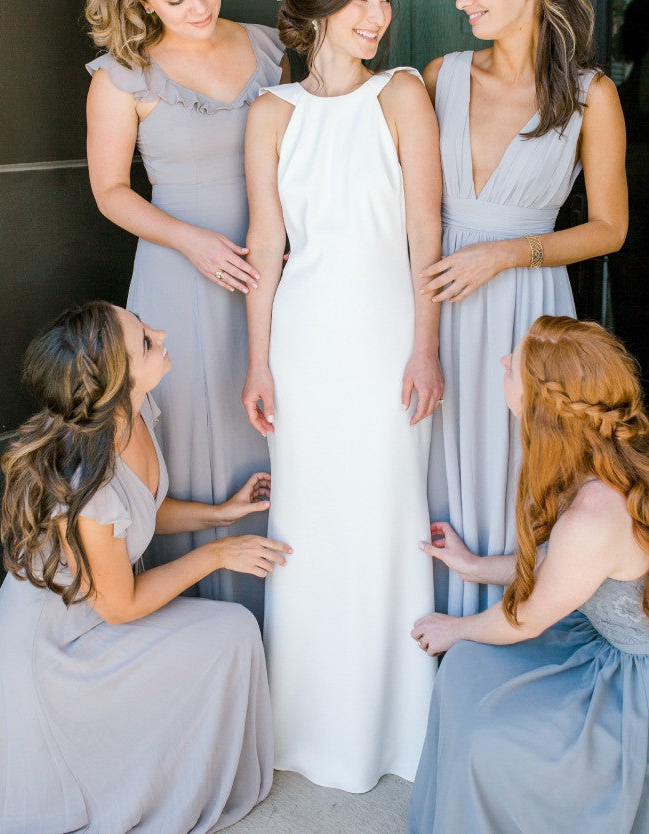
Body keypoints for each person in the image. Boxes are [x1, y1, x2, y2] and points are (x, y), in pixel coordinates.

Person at [241, 0, 443, 793]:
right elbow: (266, 243)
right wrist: (258, 362)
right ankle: (303, 725)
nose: (379, 14)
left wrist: (425, 344)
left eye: (383, 0)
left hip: (388, 338)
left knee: (383, 518)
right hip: (302, 346)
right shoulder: (271, 111)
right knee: (310, 525)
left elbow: (424, 230)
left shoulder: (401, 92)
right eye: (360, 0)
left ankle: (393, 726)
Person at [0, 301, 291, 833]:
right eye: (146, 342)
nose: (161, 333)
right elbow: (121, 605)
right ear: (117, 383)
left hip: (97, 614)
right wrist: (218, 553)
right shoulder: (89, 484)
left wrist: (221, 513)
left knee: (234, 634)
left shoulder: (133, 413)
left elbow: (143, 509)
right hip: (60, 648)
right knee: (231, 631)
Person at [421, 0, 628, 616]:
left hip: (525, 306)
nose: (462, 3)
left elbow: (610, 228)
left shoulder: (592, 95)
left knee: (519, 462)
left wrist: (506, 254)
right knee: (431, 457)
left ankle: (507, 622)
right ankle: (431, 624)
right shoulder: (441, 76)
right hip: (435, 300)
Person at [84, 0, 287, 618]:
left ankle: (286, 611)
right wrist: (191, 241)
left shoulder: (269, 47)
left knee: (273, 424)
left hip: (271, 270)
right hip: (180, 274)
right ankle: (206, 613)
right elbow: (109, 191)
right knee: (192, 430)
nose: (197, 7)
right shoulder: (119, 75)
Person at [409, 315, 649, 834]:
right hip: (599, 636)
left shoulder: (593, 514)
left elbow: (526, 619)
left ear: (542, 408)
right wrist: (474, 566)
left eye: (512, 366)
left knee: (487, 736)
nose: (502, 362)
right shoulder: (599, 461)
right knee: (469, 668)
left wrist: (454, 627)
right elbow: (560, 568)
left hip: (633, 680)